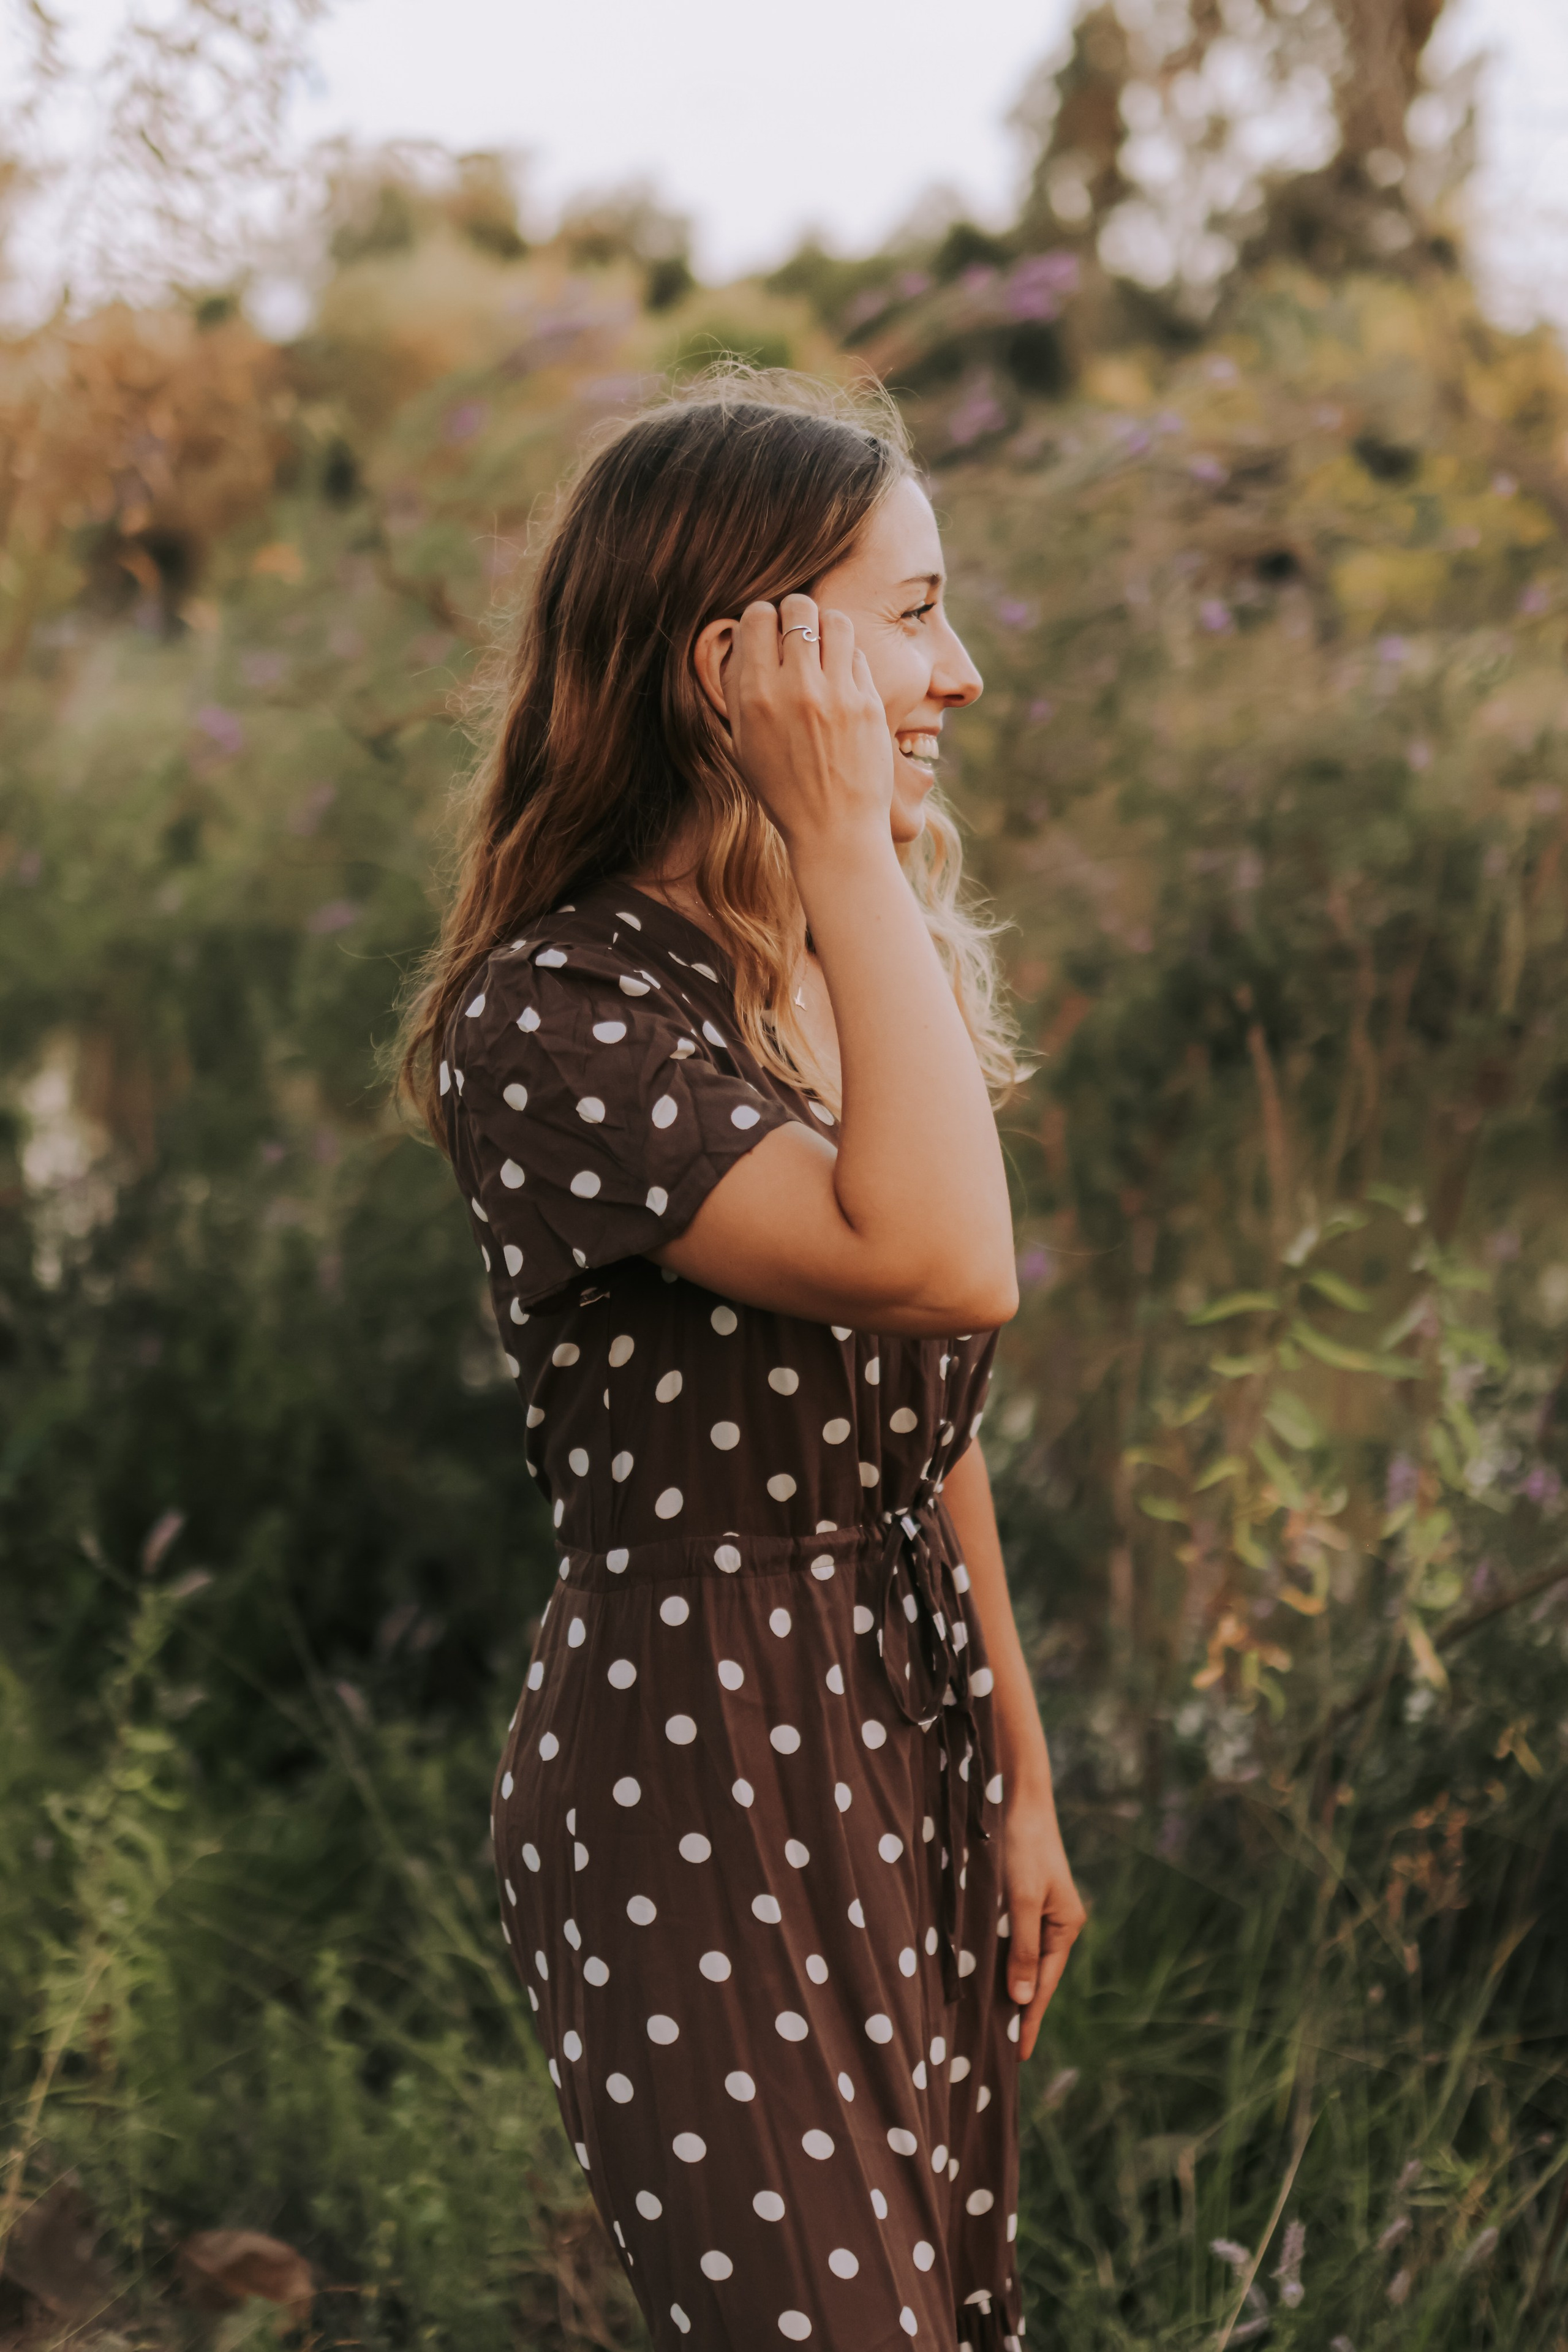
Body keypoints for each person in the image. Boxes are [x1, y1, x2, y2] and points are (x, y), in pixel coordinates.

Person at [399, 374, 1085, 2352]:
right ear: (746, 666)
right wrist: (851, 849)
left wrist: (1023, 1777)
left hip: (906, 1726)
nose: (955, 673)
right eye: (913, 613)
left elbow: (922, 1419)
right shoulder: (551, 1015)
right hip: (691, 1764)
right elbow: (947, 1264)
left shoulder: (829, 953)